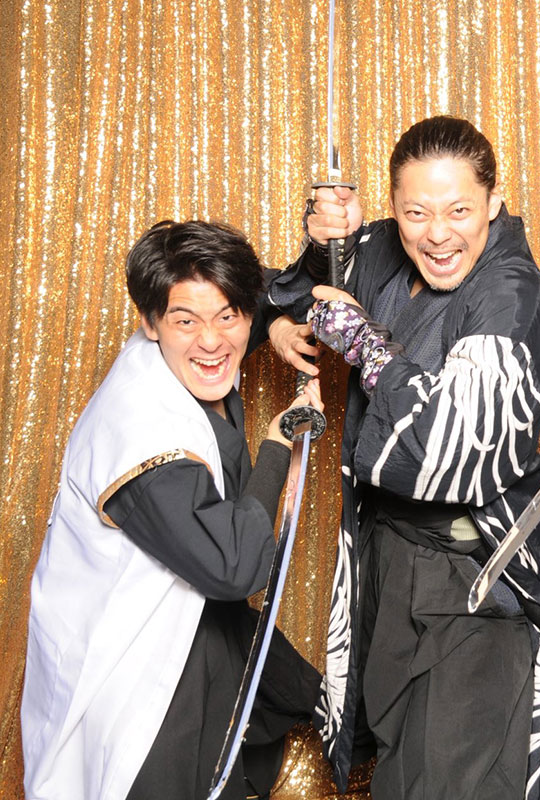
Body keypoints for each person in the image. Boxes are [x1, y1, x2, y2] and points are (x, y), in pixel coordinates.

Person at [266, 115, 540, 798]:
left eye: (459, 210)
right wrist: (323, 250)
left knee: (449, 779)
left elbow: (458, 447)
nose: (437, 234)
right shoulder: (383, 249)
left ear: (493, 203)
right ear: (394, 210)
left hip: (474, 574)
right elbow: (293, 291)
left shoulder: (512, 292)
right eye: (416, 213)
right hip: (389, 554)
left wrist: (366, 345)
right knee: (399, 763)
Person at [22, 220, 323, 800]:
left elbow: (258, 295)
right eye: (185, 321)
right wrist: (278, 445)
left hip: (196, 645)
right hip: (140, 685)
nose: (211, 341)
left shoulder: (194, 347)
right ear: (150, 321)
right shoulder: (142, 436)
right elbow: (235, 567)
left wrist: (279, 324)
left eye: (229, 317)